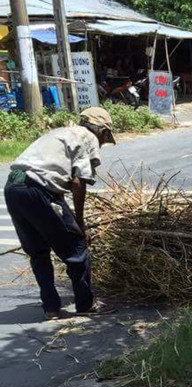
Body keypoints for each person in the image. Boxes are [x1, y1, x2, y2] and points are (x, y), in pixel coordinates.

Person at [4, 106, 116, 320]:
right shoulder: (87, 137)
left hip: (13, 188)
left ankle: (51, 308)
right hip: (38, 190)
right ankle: (86, 303)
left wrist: (68, 217)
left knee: (38, 252)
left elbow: (55, 182)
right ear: (102, 132)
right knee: (77, 246)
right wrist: (80, 223)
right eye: (105, 139)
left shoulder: (59, 133)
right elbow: (78, 182)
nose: (101, 144)